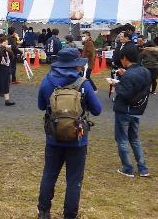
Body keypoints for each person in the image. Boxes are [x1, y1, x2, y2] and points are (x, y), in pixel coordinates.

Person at [37, 48, 102, 219]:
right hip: (77, 139)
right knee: (73, 180)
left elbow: (41, 106)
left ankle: (43, 211)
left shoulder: (47, 81)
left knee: (49, 174)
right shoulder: (83, 84)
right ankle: (69, 215)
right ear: (76, 65)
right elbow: (97, 110)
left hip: (53, 137)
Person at [111, 45, 151, 178]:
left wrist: (116, 84)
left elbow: (125, 93)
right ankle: (143, 168)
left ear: (125, 58)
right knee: (134, 138)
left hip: (124, 110)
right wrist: (124, 76)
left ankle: (127, 168)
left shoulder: (129, 75)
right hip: (137, 111)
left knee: (122, 139)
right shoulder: (145, 71)